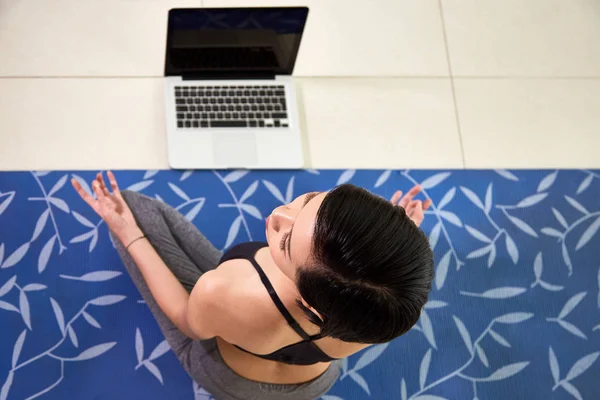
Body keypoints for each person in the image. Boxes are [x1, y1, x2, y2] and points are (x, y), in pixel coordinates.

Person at [71, 171, 434, 400]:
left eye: (286, 242)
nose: (279, 214)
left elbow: (186, 320)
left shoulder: (224, 293)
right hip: (313, 384)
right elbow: (376, 276)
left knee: (131, 209)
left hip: (233, 383)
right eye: (310, 202)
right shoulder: (386, 307)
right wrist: (391, 237)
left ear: (312, 303)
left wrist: (129, 234)